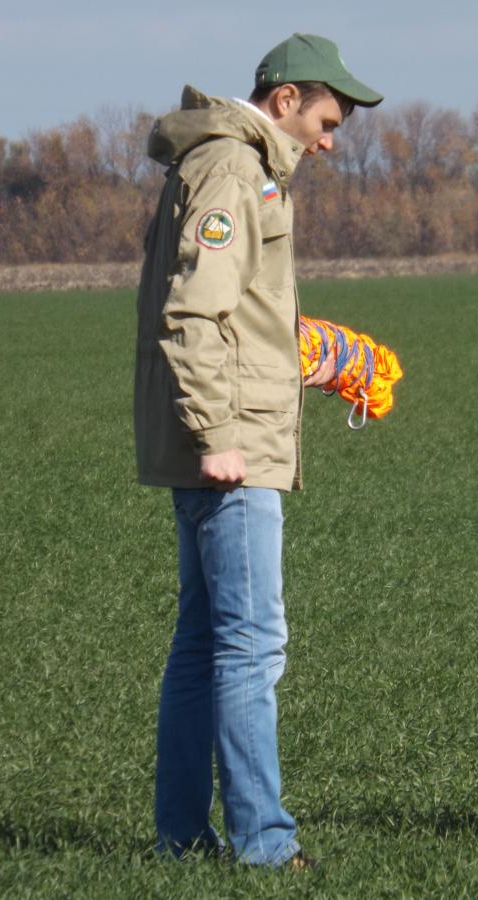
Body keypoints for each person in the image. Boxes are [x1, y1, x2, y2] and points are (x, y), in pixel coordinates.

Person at [133, 34, 382, 869]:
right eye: (325, 117)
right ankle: (267, 847)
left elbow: (228, 314)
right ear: (285, 99)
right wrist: (220, 436)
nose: (329, 138)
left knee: (205, 643)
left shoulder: (229, 167)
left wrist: (300, 355)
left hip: (228, 432)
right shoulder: (235, 171)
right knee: (250, 645)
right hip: (231, 451)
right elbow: (192, 315)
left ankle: (180, 838)